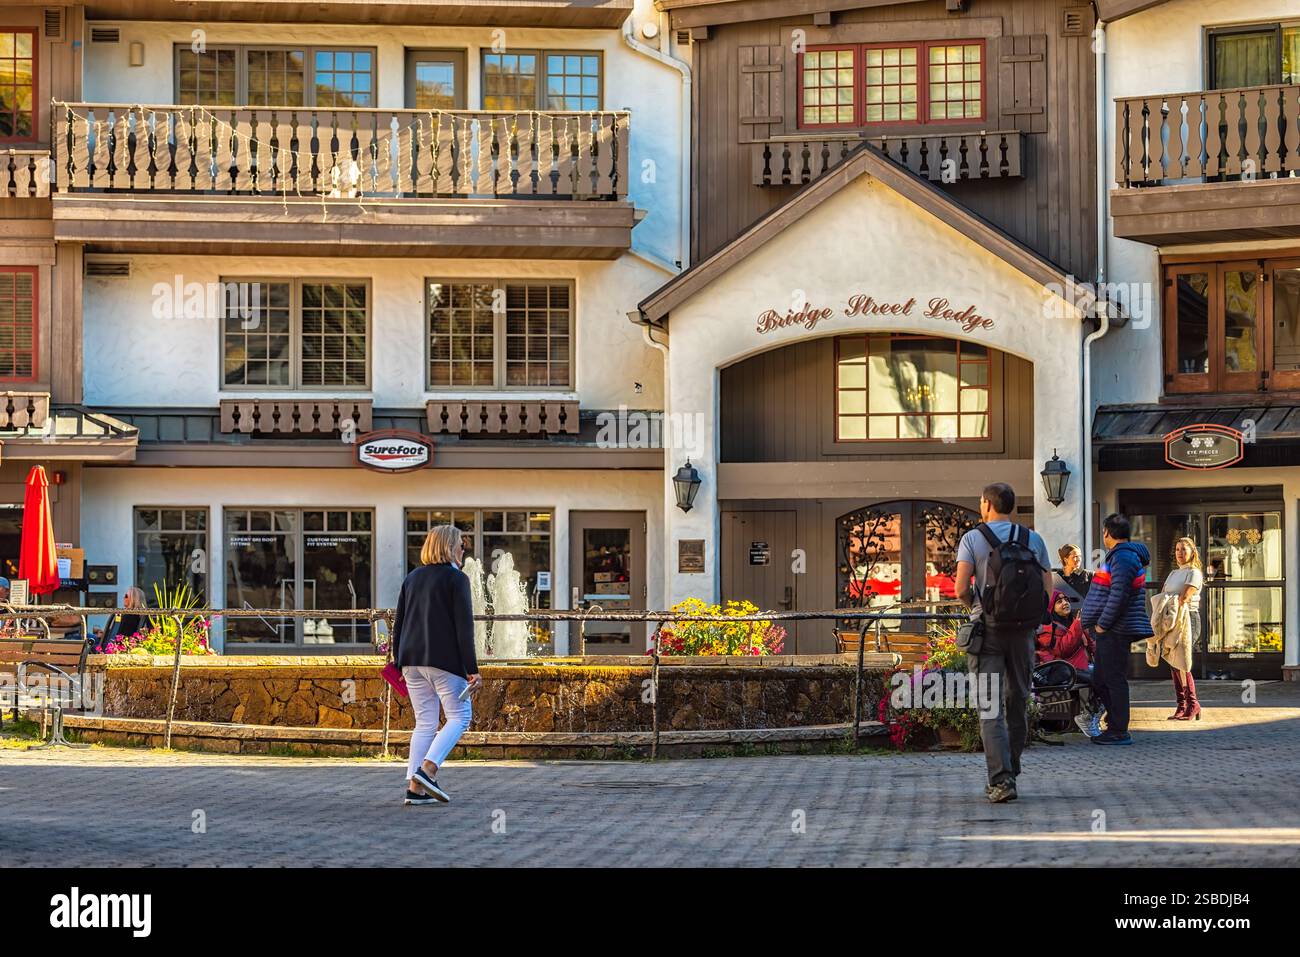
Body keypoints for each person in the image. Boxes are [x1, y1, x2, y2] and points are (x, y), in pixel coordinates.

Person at [955, 482, 1053, 804]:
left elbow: (959, 588)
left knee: (990, 708)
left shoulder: (973, 538)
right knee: (1018, 701)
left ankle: (1001, 780)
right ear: (1011, 505)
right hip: (1023, 633)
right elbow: (1047, 588)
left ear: (986, 504)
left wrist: (976, 606)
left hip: (987, 632)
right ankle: (1011, 766)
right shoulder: (1032, 539)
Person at [391, 524, 482, 806]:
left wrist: (398, 663)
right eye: (460, 544)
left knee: (425, 723)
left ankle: (414, 790)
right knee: (460, 717)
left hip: (412, 662)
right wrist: (472, 669)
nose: (463, 549)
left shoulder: (413, 578)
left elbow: (400, 623)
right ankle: (428, 771)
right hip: (444, 662)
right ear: (448, 547)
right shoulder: (457, 579)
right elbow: (463, 628)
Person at [1080, 514, 1153, 746]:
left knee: (1113, 678)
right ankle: (1114, 726)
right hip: (1111, 629)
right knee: (1101, 678)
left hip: (1115, 630)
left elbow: (1119, 595)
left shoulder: (1123, 558)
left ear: (1107, 533)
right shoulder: (1121, 557)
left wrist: (1102, 624)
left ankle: (1119, 730)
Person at [1160, 537, 1203, 721]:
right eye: (1177, 549)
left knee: (1183, 662)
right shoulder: (1173, 574)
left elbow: (1184, 597)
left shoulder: (1194, 572)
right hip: (1172, 620)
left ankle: (1193, 704)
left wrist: (1169, 600)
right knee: (1173, 662)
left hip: (1188, 619)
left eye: (1184, 549)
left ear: (1192, 552)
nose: (1179, 552)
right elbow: (1163, 595)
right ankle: (1181, 705)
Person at [1035, 590, 1094, 672]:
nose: (1065, 603)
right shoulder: (1046, 629)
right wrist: (1077, 625)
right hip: (1070, 672)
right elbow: (1063, 650)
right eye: (1059, 602)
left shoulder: (1074, 621)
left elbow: (1091, 645)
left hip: (1086, 666)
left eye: (1066, 600)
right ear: (1052, 608)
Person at [93, 586, 148, 652]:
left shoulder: (130, 617)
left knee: (83, 639)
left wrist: (105, 635)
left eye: (126, 596)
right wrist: (104, 634)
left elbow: (120, 636)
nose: (123, 598)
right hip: (110, 644)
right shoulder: (135, 616)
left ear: (134, 598)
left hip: (110, 647)